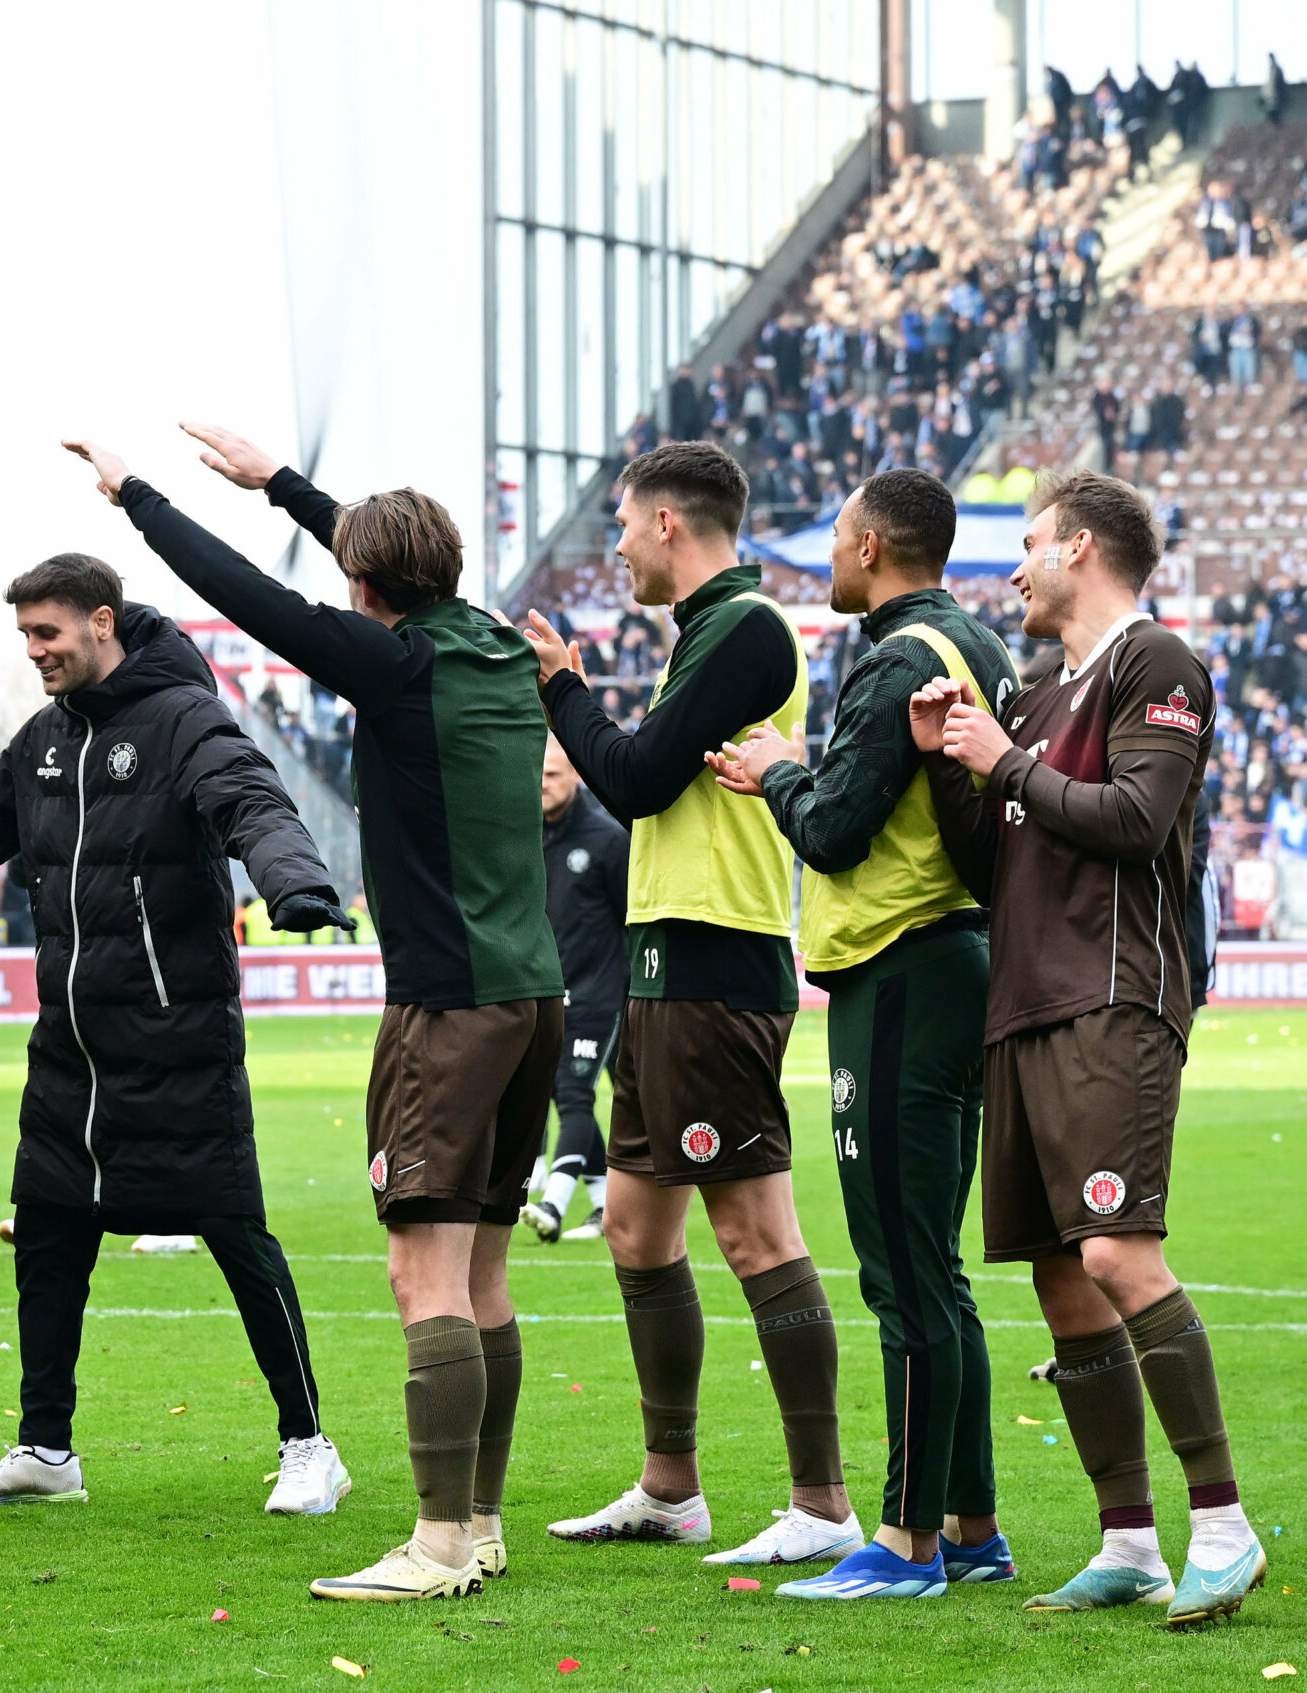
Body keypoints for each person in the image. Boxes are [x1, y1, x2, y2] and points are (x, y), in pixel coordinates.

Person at [70, 425, 562, 1600]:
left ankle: (439, 1543)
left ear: (360, 586)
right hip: (532, 993)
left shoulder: (394, 664)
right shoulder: (492, 641)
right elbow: (396, 570)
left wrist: (134, 495)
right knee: (482, 1274)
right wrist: (282, 486)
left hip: (446, 1003)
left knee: (422, 1277)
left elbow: (241, 598)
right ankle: (478, 1524)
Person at [0, 550, 355, 1517]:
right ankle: (46, 1448)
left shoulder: (183, 718)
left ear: (101, 619)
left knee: (235, 1234)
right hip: (70, 1048)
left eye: (48, 633)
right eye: (25, 636)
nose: (35, 651)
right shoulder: (43, 739)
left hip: (177, 1035)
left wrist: (294, 881)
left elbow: (252, 798)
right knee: (46, 1235)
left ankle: (309, 1443)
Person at [914, 472, 1266, 1625]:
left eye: (1026, 546)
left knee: (1117, 1254)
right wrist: (950, 763)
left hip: (1114, 993)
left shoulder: (1154, 663)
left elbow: (1133, 819)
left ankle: (1221, 1523)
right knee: (1063, 1280)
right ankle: (1129, 1540)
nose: (1011, 570)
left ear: (1079, 548)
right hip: (1021, 1003)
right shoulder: (1033, 689)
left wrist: (1005, 764)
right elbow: (1001, 864)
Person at [522, 440, 861, 1568]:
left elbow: (628, 777)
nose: (614, 544)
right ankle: (670, 1486)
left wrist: (561, 684)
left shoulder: (747, 629)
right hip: (666, 961)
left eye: (622, 523)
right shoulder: (702, 639)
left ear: (669, 522)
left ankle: (821, 1500)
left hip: (721, 958)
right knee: (631, 1224)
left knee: (753, 1230)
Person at [709, 469, 1021, 1601]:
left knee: (902, 1272)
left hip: (901, 968)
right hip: (954, 962)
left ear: (874, 545)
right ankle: (970, 1521)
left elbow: (838, 833)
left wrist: (781, 773)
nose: (827, 559)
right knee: (936, 1269)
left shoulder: (899, 657)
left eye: (837, 541)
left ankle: (905, 1543)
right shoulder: (981, 645)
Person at [523, 734, 627, 1246]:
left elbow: (632, 920)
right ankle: (607, 1206)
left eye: (554, 775)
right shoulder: (528, 837)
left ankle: (552, 1204)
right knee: (563, 1093)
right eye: (537, 774)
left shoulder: (608, 840)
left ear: (576, 777)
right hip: (549, 993)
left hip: (601, 996)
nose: (543, 784)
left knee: (573, 1092)